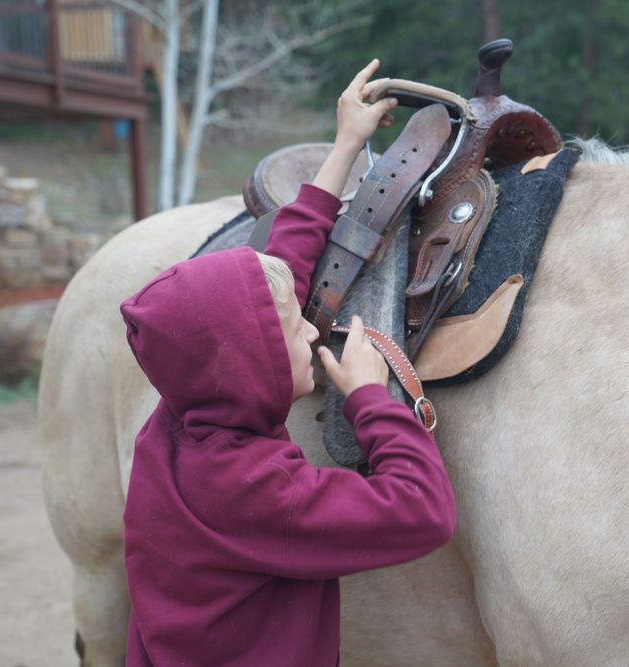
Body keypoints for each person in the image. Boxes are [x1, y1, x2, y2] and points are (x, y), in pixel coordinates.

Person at [119, 59, 457, 667]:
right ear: (248, 364)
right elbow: (423, 511)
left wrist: (347, 144)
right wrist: (372, 402)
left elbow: (277, 274)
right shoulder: (256, 490)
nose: (311, 326)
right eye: (294, 327)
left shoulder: (179, 416)